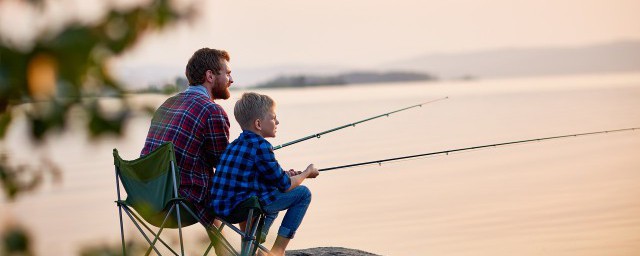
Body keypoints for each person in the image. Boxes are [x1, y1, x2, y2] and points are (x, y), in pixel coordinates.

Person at [210, 92, 319, 256]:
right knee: (303, 194)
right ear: (258, 124)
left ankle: (256, 246)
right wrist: (306, 173)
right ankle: (278, 250)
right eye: (273, 118)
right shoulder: (261, 146)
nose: (277, 122)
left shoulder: (233, 145)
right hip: (243, 209)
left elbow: (262, 175)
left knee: (270, 191)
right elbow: (285, 184)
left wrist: (285, 174)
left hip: (220, 209)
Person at [141, 47, 233, 227]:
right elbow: (225, 167)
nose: (231, 79)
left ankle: (222, 250)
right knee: (245, 187)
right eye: (228, 74)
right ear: (210, 76)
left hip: (147, 199)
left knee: (207, 181)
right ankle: (257, 251)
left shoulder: (168, 104)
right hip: (180, 205)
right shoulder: (212, 110)